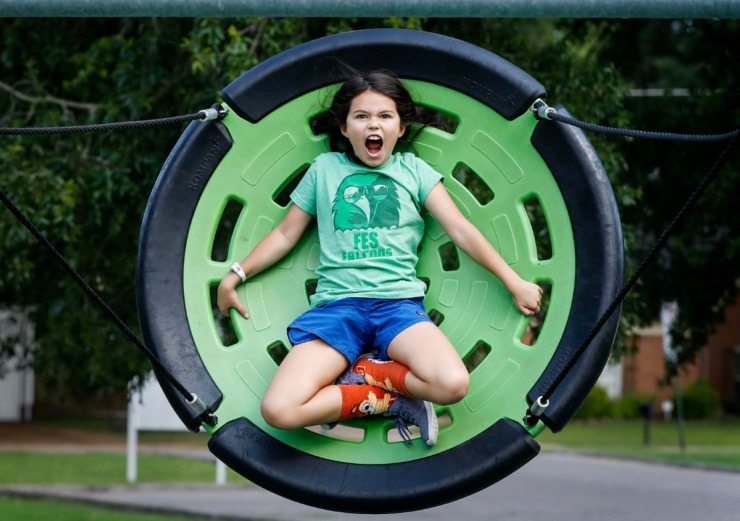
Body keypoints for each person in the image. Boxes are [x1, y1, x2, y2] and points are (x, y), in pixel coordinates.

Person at [217, 68, 542, 447]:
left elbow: (461, 229)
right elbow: (286, 234)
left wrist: (513, 281)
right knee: (279, 410)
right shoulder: (325, 171)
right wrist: (235, 274)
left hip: (398, 309)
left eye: (385, 116)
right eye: (362, 116)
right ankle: (389, 398)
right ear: (344, 128)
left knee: (452, 384)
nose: (374, 124)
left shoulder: (414, 171)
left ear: (400, 128)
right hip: (337, 312)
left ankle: (369, 371)